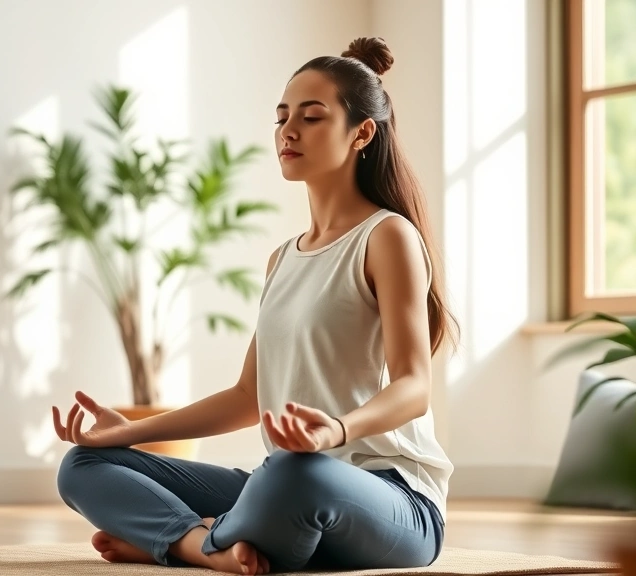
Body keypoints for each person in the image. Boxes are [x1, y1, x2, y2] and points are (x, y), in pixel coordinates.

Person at [53, 36, 459, 575]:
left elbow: (414, 386)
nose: (289, 130)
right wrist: (123, 431)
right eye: (282, 116)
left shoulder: (387, 237)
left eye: (312, 117)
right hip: (287, 481)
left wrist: (333, 432)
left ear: (362, 132)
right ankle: (201, 545)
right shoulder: (283, 258)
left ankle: (178, 539)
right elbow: (249, 395)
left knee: (294, 475)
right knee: (83, 464)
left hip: (392, 500)